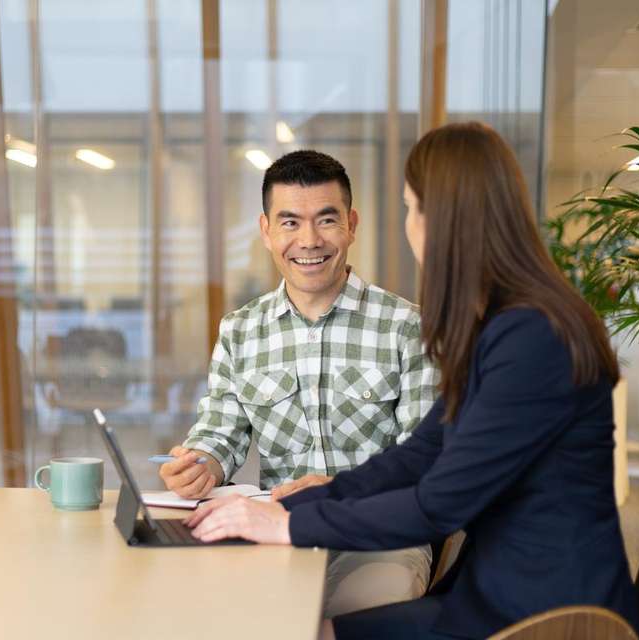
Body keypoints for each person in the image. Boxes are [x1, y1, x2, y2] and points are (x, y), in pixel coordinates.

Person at [182, 123, 639, 639]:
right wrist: (283, 506)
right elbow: (419, 456)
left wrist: (285, 525)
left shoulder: (533, 336)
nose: (408, 224)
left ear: (445, 219)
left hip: (550, 617)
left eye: (411, 207)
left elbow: (439, 501)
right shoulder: (506, 324)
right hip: (498, 591)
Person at [159, 150, 439, 617]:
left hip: (378, 538)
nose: (309, 240)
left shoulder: (408, 326)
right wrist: (201, 463)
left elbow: (424, 460)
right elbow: (219, 433)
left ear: (351, 224)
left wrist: (340, 488)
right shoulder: (240, 331)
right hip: (275, 534)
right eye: (290, 222)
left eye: (326, 220)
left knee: (360, 614)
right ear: (266, 230)